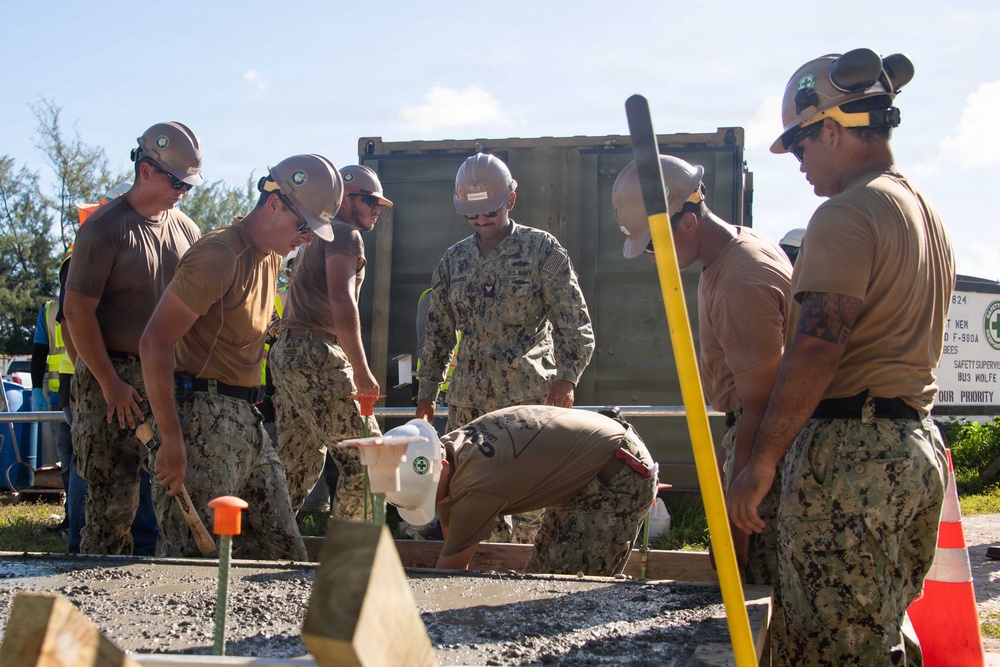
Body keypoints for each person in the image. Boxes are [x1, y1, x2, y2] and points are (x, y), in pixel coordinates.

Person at [726, 49, 954, 665]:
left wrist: (762, 462)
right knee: (876, 631)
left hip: (851, 459)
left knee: (829, 647)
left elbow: (817, 348)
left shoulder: (846, 213)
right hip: (912, 447)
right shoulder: (923, 212)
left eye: (800, 146)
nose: (799, 163)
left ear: (832, 128)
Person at [139, 154, 342, 560]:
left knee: (284, 556)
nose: (306, 239)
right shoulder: (219, 254)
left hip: (245, 422)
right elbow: (154, 342)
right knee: (192, 569)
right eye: (304, 226)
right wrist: (172, 441)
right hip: (200, 422)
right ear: (274, 203)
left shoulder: (268, 256)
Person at [612, 155, 793, 587]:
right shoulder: (733, 252)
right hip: (753, 433)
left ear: (689, 223)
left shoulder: (740, 280)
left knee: (754, 584)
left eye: (655, 244)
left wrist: (735, 524)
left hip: (769, 445)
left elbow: (762, 406)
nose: (653, 257)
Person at [64, 122, 203, 555]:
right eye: (177, 181)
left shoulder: (187, 230)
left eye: (189, 183)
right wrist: (109, 384)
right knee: (109, 501)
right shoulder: (104, 229)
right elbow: (76, 312)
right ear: (146, 170)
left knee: (175, 492)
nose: (184, 191)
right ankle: (93, 592)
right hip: (112, 381)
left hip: (163, 377)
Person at [415, 154, 595, 433]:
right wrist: (427, 395)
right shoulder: (453, 260)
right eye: (472, 214)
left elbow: (572, 320)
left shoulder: (541, 249)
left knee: (529, 477)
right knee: (467, 477)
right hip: (467, 406)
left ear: (509, 202)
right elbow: (438, 333)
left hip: (527, 401)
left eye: (489, 212)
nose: (480, 220)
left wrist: (567, 378)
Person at [385, 406, 656, 575]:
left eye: (426, 495)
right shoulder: (449, 449)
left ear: (440, 468)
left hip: (618, 476)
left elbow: (451, 571)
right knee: (538, 577)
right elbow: (451, 532)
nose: (429, 506)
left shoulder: (478, 483)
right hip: (585, 471)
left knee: (570, 588)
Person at [268, 164, 388, 519]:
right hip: (316, 353)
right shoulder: (345, 234)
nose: (376, 209)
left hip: (290, 353)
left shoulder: (316, 236)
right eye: (369, 201)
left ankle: (265, 548)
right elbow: (342, 300)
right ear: (347, 199)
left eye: (379, 203)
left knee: (296, 464)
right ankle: (350, 559)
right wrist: (362, 372)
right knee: (370, 460)